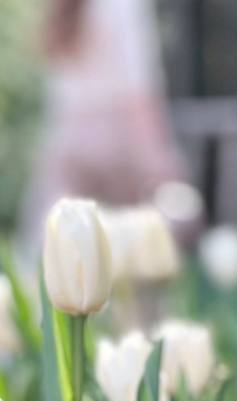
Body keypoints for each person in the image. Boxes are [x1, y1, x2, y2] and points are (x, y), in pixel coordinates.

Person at [19, 0, 187, 257]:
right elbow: (139, 91)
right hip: (119, 143)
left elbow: (58, 99)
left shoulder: (61, 8)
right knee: (132, 260)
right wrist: (161, 162)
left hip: (69, 144)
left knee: (56, 255)